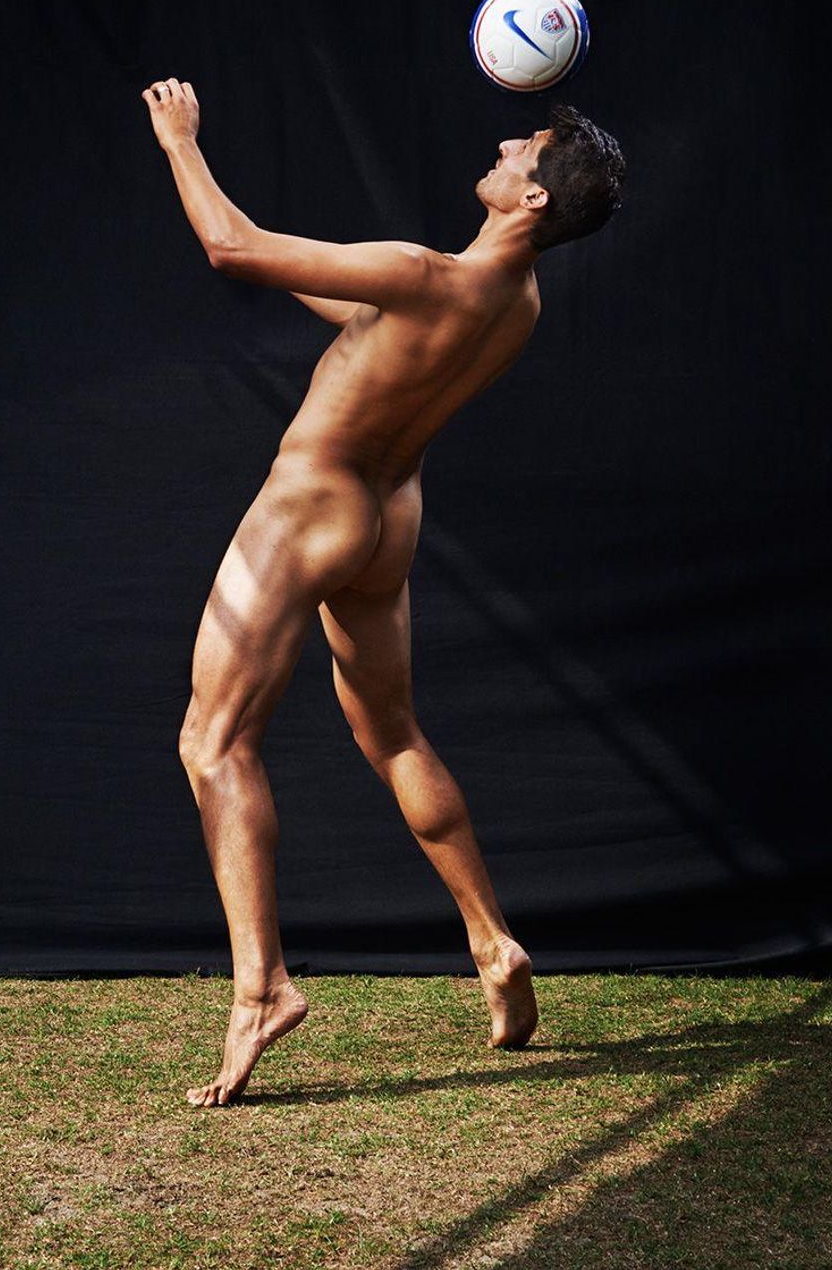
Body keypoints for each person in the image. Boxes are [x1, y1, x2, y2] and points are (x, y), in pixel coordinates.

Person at [141, 78, 625, 1108]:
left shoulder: (422, 271)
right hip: (387, 516)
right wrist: (297, 263)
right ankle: (491, 943)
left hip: (310, 501)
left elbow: (229, 247)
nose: (507, 143)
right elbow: (375, 324)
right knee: (394, 735)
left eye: (525, 148)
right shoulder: (514, 304)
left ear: (533, 198)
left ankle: (262, 988)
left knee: (212, 744)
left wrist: (181, 141)